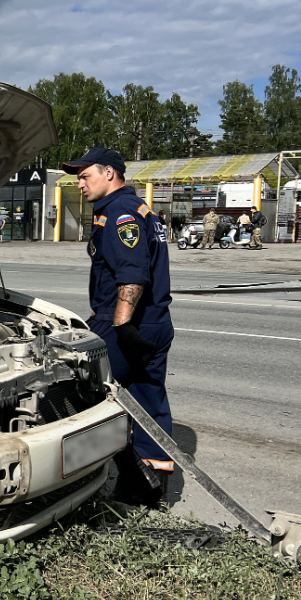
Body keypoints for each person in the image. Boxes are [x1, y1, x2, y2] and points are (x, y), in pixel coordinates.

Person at [62, 147, 176, 505]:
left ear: (109, 173)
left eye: (85, 176)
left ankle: (75, 484)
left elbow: (132, 276)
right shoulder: (139, 207)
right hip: (157, 323)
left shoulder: (120, 213)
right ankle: (146, 490)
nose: (80, 184)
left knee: (80, 398)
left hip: (125, 325)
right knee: (147, 401)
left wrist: (122, 327)